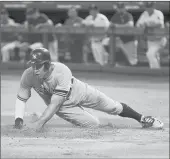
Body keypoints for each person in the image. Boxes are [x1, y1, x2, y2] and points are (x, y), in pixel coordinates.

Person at [14, 48, 164, 132]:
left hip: (79, 91)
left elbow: (53, 104)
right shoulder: (28, 75)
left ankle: (142, 118)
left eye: (38, 65)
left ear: (47, 64)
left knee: (113, 107)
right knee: (93, 125)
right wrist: (18, 121)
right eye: (32, 65)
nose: (34, 69)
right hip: (63, 106)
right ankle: (40, 116)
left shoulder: (61, 71)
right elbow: (21, 99)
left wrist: (39, 124)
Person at [136, 2, 167, 69]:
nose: (149, 9)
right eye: (147, 7)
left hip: (159, 39)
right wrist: (146, 25)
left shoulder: (158, 13)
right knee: (154, 56)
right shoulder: (144, 14)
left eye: (150, 7)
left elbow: (160, 24)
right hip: (150, 39)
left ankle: (156, 71)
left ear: (153, 7)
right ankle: (156, 72)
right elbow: (138, 24)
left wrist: (147, 24)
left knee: (150, 54)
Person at [109, 2, 138, 66]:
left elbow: (130, 25)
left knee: (132, 60)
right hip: (121, 39)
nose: (120, 9)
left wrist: (117, 26)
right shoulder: (116, 16)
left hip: (130, 40)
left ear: (125, 8)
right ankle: (119, 63)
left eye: (121, 8)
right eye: (119, 8)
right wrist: (121, 26)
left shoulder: (128, 15)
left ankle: (135, 72)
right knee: (106, 42)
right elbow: (110, 25)